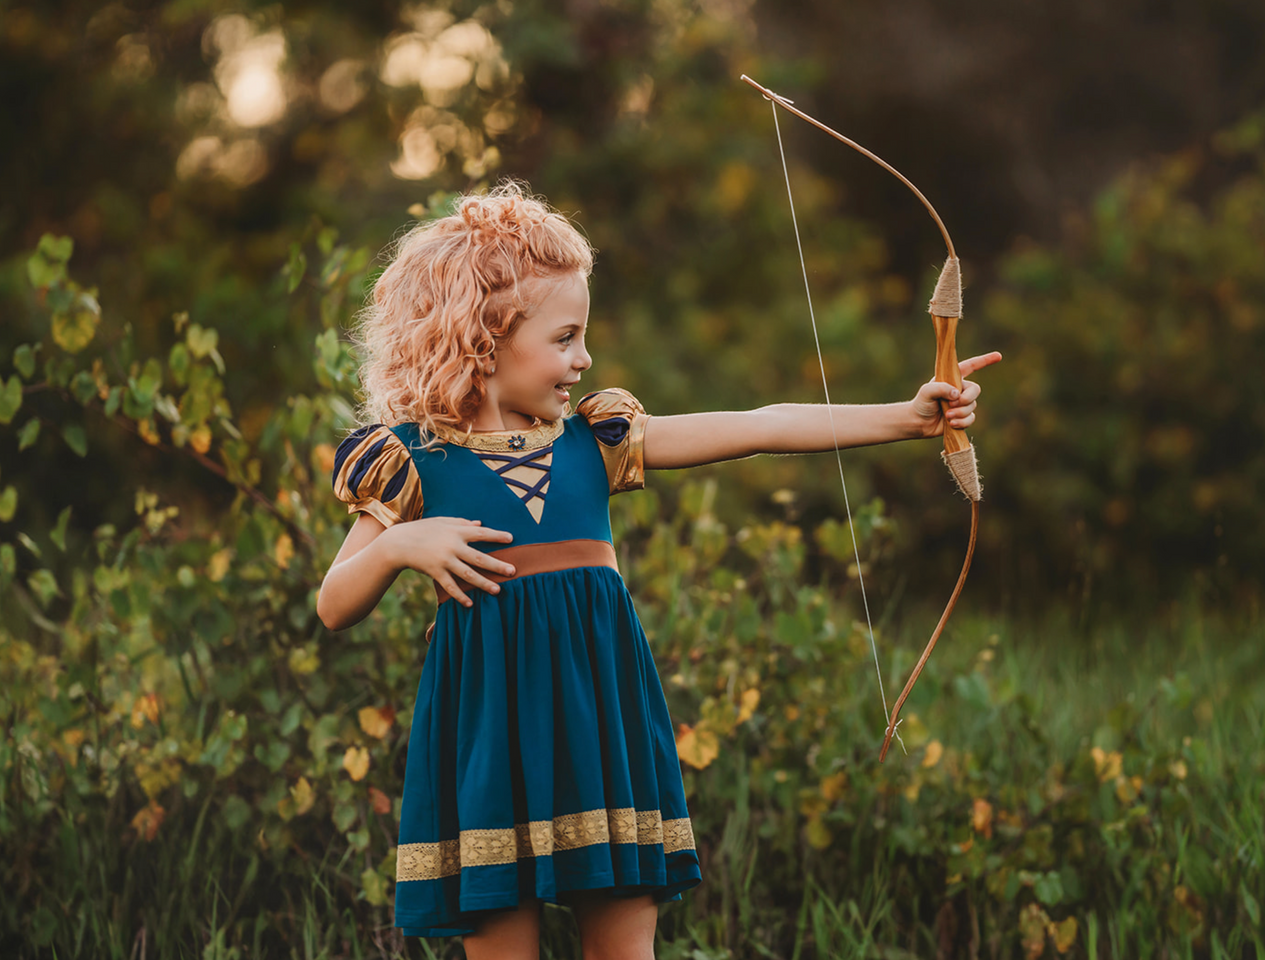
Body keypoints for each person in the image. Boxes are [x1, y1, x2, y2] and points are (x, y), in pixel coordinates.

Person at [315, 181, 999, 960]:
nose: (585, 357)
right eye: (565, 337)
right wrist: (402, 545)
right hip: (489, 745)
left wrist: (905, 419)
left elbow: (758, 427)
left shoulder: (594, 442)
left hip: (602, 728)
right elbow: (334, 603)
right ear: (483, 338)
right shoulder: (413, 463)